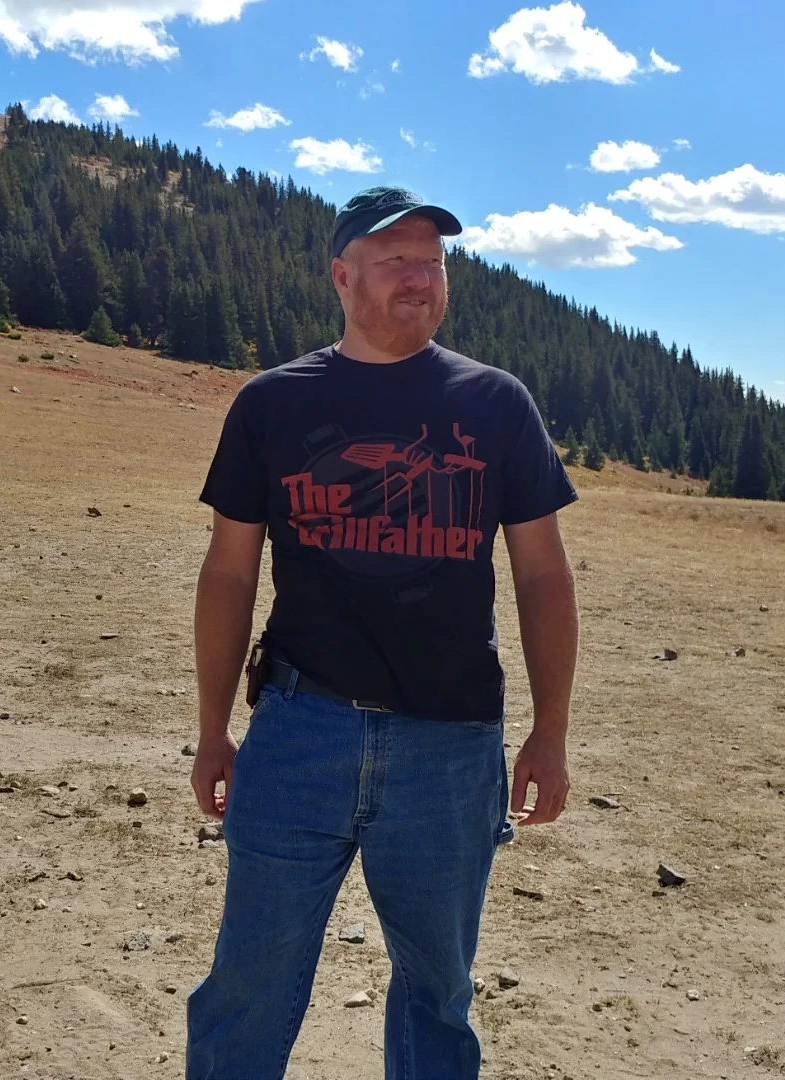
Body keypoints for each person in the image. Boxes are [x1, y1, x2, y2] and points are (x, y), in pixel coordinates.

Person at [184, 186, 580, 1079]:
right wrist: (213, 727)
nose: (419, 275)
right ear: (341, 275)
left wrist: (548, 731)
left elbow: (543, 573)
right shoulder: (270, 404)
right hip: (296, 732)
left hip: (450, 745)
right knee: (245, 986)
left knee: (437, 997)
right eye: (395, 258)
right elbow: (229, 571)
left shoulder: (496, 403)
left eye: (432, 261)